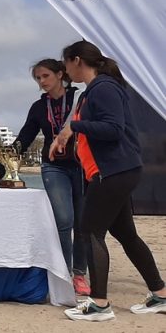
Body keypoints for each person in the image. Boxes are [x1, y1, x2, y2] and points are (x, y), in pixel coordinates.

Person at [52, 40, 166, 322]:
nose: (65, 70)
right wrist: (68, 134)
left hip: (114, 172)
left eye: (65, 63)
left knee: (89, 232)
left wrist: (74, 127)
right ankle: (160, 294)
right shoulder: (91, 93)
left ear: (77, 60)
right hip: (110, 172)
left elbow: (113, 129)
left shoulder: (104, 88)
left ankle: (99, 304)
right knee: (126, 234)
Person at [14, 58, 89, 295]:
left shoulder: (80, 98)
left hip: (81, 165)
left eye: (45, 76)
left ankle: (80, 274)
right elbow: (24, 137)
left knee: (82, 223)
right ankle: (62, 272)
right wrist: (0, 167)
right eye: (38, 78)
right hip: (53, 167)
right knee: (63, 220)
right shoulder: (38, 107)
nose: (41, 82)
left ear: (60, 74)